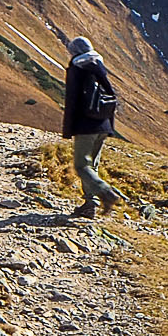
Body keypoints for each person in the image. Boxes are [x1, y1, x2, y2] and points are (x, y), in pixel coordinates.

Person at [62, 36, 125, 218]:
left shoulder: (76, 69)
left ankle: (105, 193)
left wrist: (68, 129)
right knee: (92, 165)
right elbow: (110, 96)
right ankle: (91, 205)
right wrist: (109, 126)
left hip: (85, 125)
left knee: (82, 166)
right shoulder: (98, 65)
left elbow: (72, 100)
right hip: (102, 123)